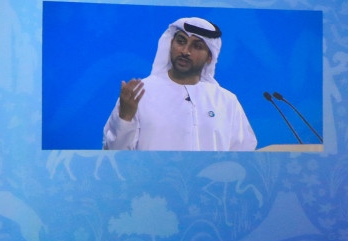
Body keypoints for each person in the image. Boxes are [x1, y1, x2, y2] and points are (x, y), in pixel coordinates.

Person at [103, 17, 257, 151]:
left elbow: (243, 156)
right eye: (181, 41)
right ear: (170, 44)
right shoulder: (139, 93)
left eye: (197, 46)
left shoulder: (226, 101)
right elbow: (114, 155)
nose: (185, 51)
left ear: (210, 57)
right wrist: (125, 117)